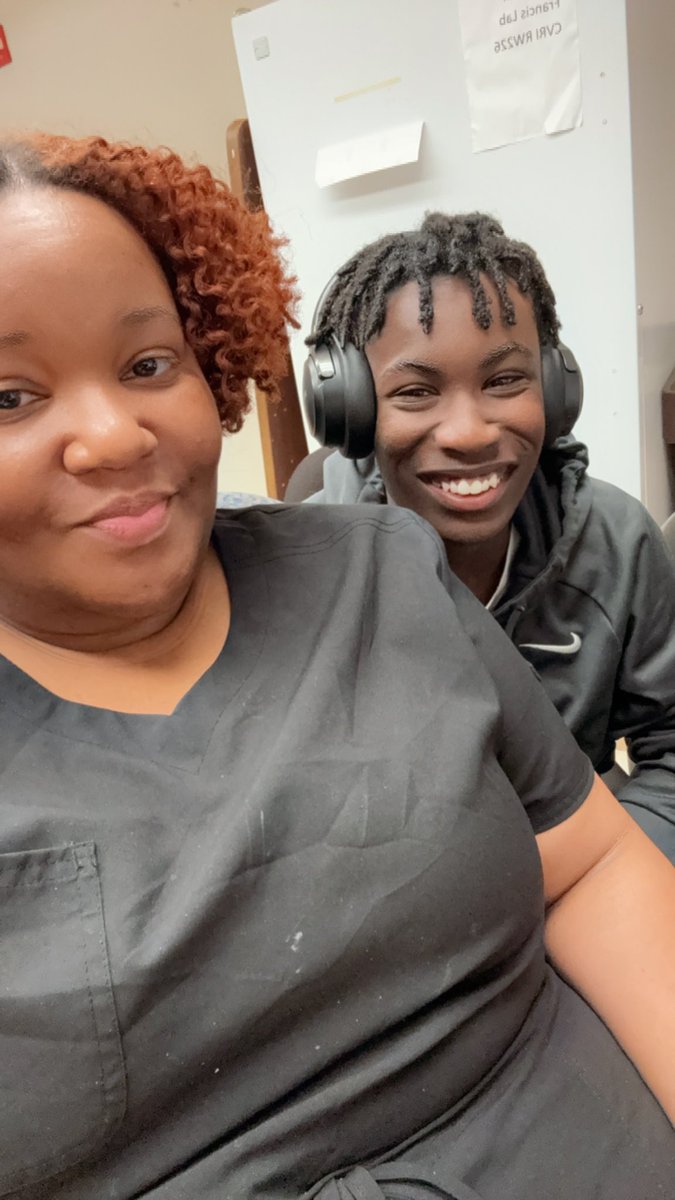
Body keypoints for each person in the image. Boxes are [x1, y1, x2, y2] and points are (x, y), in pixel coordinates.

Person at [0, 134, 672, 1200]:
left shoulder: (409, 570)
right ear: (348, 409)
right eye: (10, 398)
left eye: (146, 365)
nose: (111, 437)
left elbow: (595, 852)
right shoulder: (349, 516)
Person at [304, 212, 675, 863]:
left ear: (555, 390)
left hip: (576, 873)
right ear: (354, 412)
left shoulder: (617, 545)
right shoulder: (311, 569)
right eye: (415, 391)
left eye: (504, 381)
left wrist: (593, 879)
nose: (469, 432)